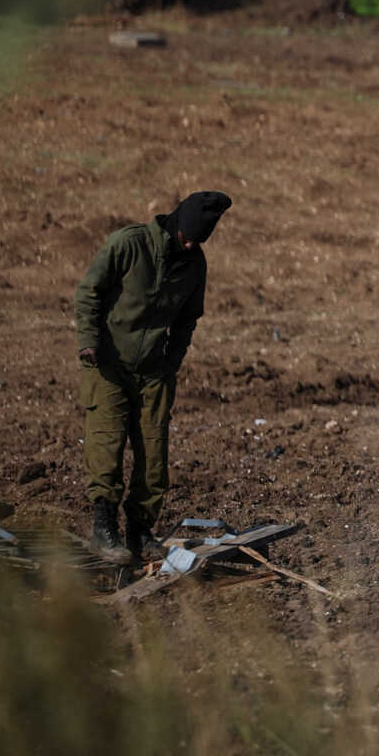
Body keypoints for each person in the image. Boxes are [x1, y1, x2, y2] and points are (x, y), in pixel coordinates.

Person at [74, 190, 231, 566]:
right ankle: (104, 528)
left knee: (154, 455)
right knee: (106, 444)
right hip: (109, 364)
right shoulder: (129, 245)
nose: (190, 244)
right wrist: (89, 341)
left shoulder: (194, 264)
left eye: (198, 241)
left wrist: (171, 362)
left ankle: (141, 530)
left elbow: (188, 319)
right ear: (177, 223)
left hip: (154, 372)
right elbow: (88, 292)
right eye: (187, 237)